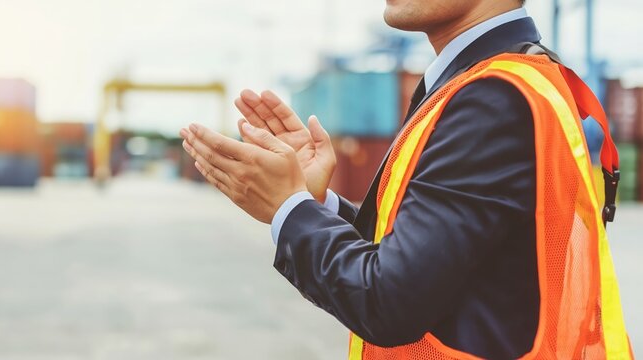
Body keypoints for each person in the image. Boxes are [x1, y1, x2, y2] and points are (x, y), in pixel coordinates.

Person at [180, 0, 633, 358]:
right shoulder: (495, 79)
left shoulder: (492, 97)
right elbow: (427, 261)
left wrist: (289, 209)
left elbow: (389, 300)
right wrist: (314, 201)